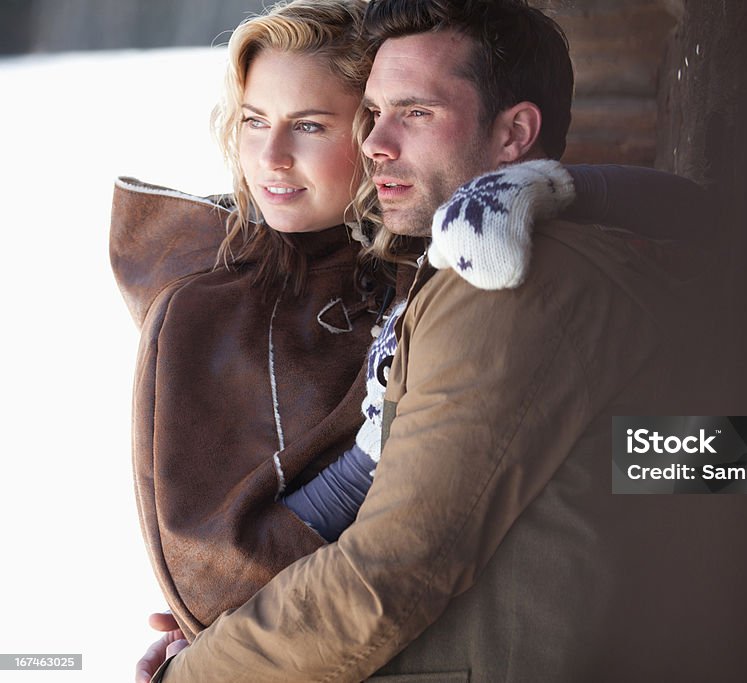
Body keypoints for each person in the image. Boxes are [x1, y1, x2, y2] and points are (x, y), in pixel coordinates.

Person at [117, 0, 712, 679]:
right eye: (373, 114)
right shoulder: (465, 275)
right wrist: (221, 631)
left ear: (515, 131)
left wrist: (195, 673)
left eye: (416, 113)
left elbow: (385, 581)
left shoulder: (501, 279)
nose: (376, 143)